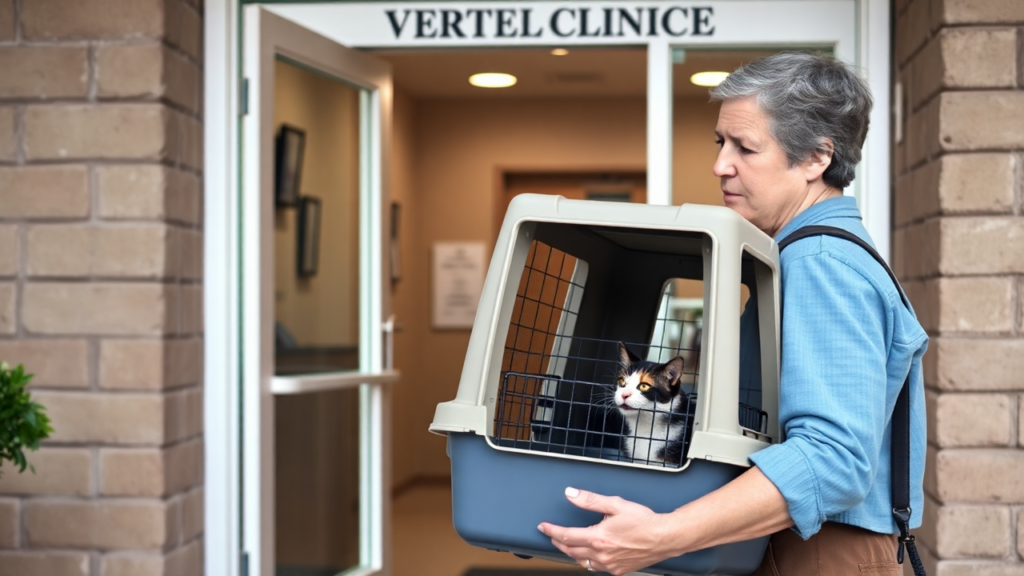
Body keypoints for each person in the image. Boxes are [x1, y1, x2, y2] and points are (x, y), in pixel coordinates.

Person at [537, 52, 928, 576]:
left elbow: (833, 460)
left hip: (817, 552)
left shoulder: (820, 263)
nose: (721, 164)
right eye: (720, 143)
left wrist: (663, 535)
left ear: (816, 158)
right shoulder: (796, 256)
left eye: (745, 147)